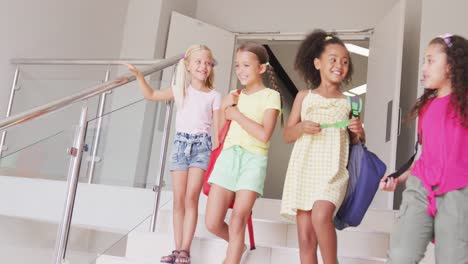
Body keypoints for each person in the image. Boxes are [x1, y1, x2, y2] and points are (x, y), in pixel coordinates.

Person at [126, 44, 221, 264]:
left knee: (191, 198)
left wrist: (218, 155)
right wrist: (139, 76)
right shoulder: (181, 90)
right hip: (180, 146)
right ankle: (177, 249)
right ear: (187, 66)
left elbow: (217, 130)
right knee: (178, 200)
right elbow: (151, 95)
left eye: (207, 63)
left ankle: (185, 250)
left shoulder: (214, 95)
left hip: (201, 147)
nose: (203, 66)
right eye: (198, 62)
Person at [380, 33, 468, 263]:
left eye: (430, 61)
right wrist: (400, 178)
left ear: (450, 65)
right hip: (420, 189)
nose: (423, 68)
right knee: (400, 256)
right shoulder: (426, 108)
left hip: (459, 193)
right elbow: (429, 156)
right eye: (424, 61)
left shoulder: (465, 103)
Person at [280, 30, 364, 264]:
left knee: (320, 217)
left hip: (333, 171)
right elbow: (287, 134)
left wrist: (358, 133)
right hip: (304, 169)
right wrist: (301, 127)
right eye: (334, 59)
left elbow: (357, 142)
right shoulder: (303, 96)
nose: (340, 65)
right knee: (306, 240)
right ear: (317, 63)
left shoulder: (352, 102)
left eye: (345, 61)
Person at [204, 41, 282, 264]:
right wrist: (223, 107)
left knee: (238, 218)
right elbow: (219, 132)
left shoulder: (271, 96)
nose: (241, 71)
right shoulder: (233, 95)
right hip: (228, 157)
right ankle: (239, 246)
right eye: (238, 66)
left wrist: (236, 115)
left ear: (261, 68)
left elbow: (264, 134)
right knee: (212, 222)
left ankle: (233, 256)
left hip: (254, 160)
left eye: (246, 65)